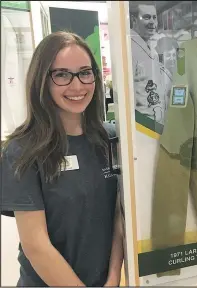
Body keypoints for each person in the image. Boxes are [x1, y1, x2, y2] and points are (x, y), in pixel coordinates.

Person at [1, 31, 124, 287]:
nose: (77, 85)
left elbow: (118, 219)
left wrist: (113, 279)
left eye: (85, 72)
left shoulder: (111, 138)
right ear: (42, 81)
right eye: (62, 74)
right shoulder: (22, 150)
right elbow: (36, 246)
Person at [129, 1, 171, 125]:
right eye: (146, 17)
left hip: (154, 125)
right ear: (134, 20)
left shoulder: (148, 47)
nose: (152, 22)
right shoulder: (130, 47)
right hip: (143, 126)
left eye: (154, 17)